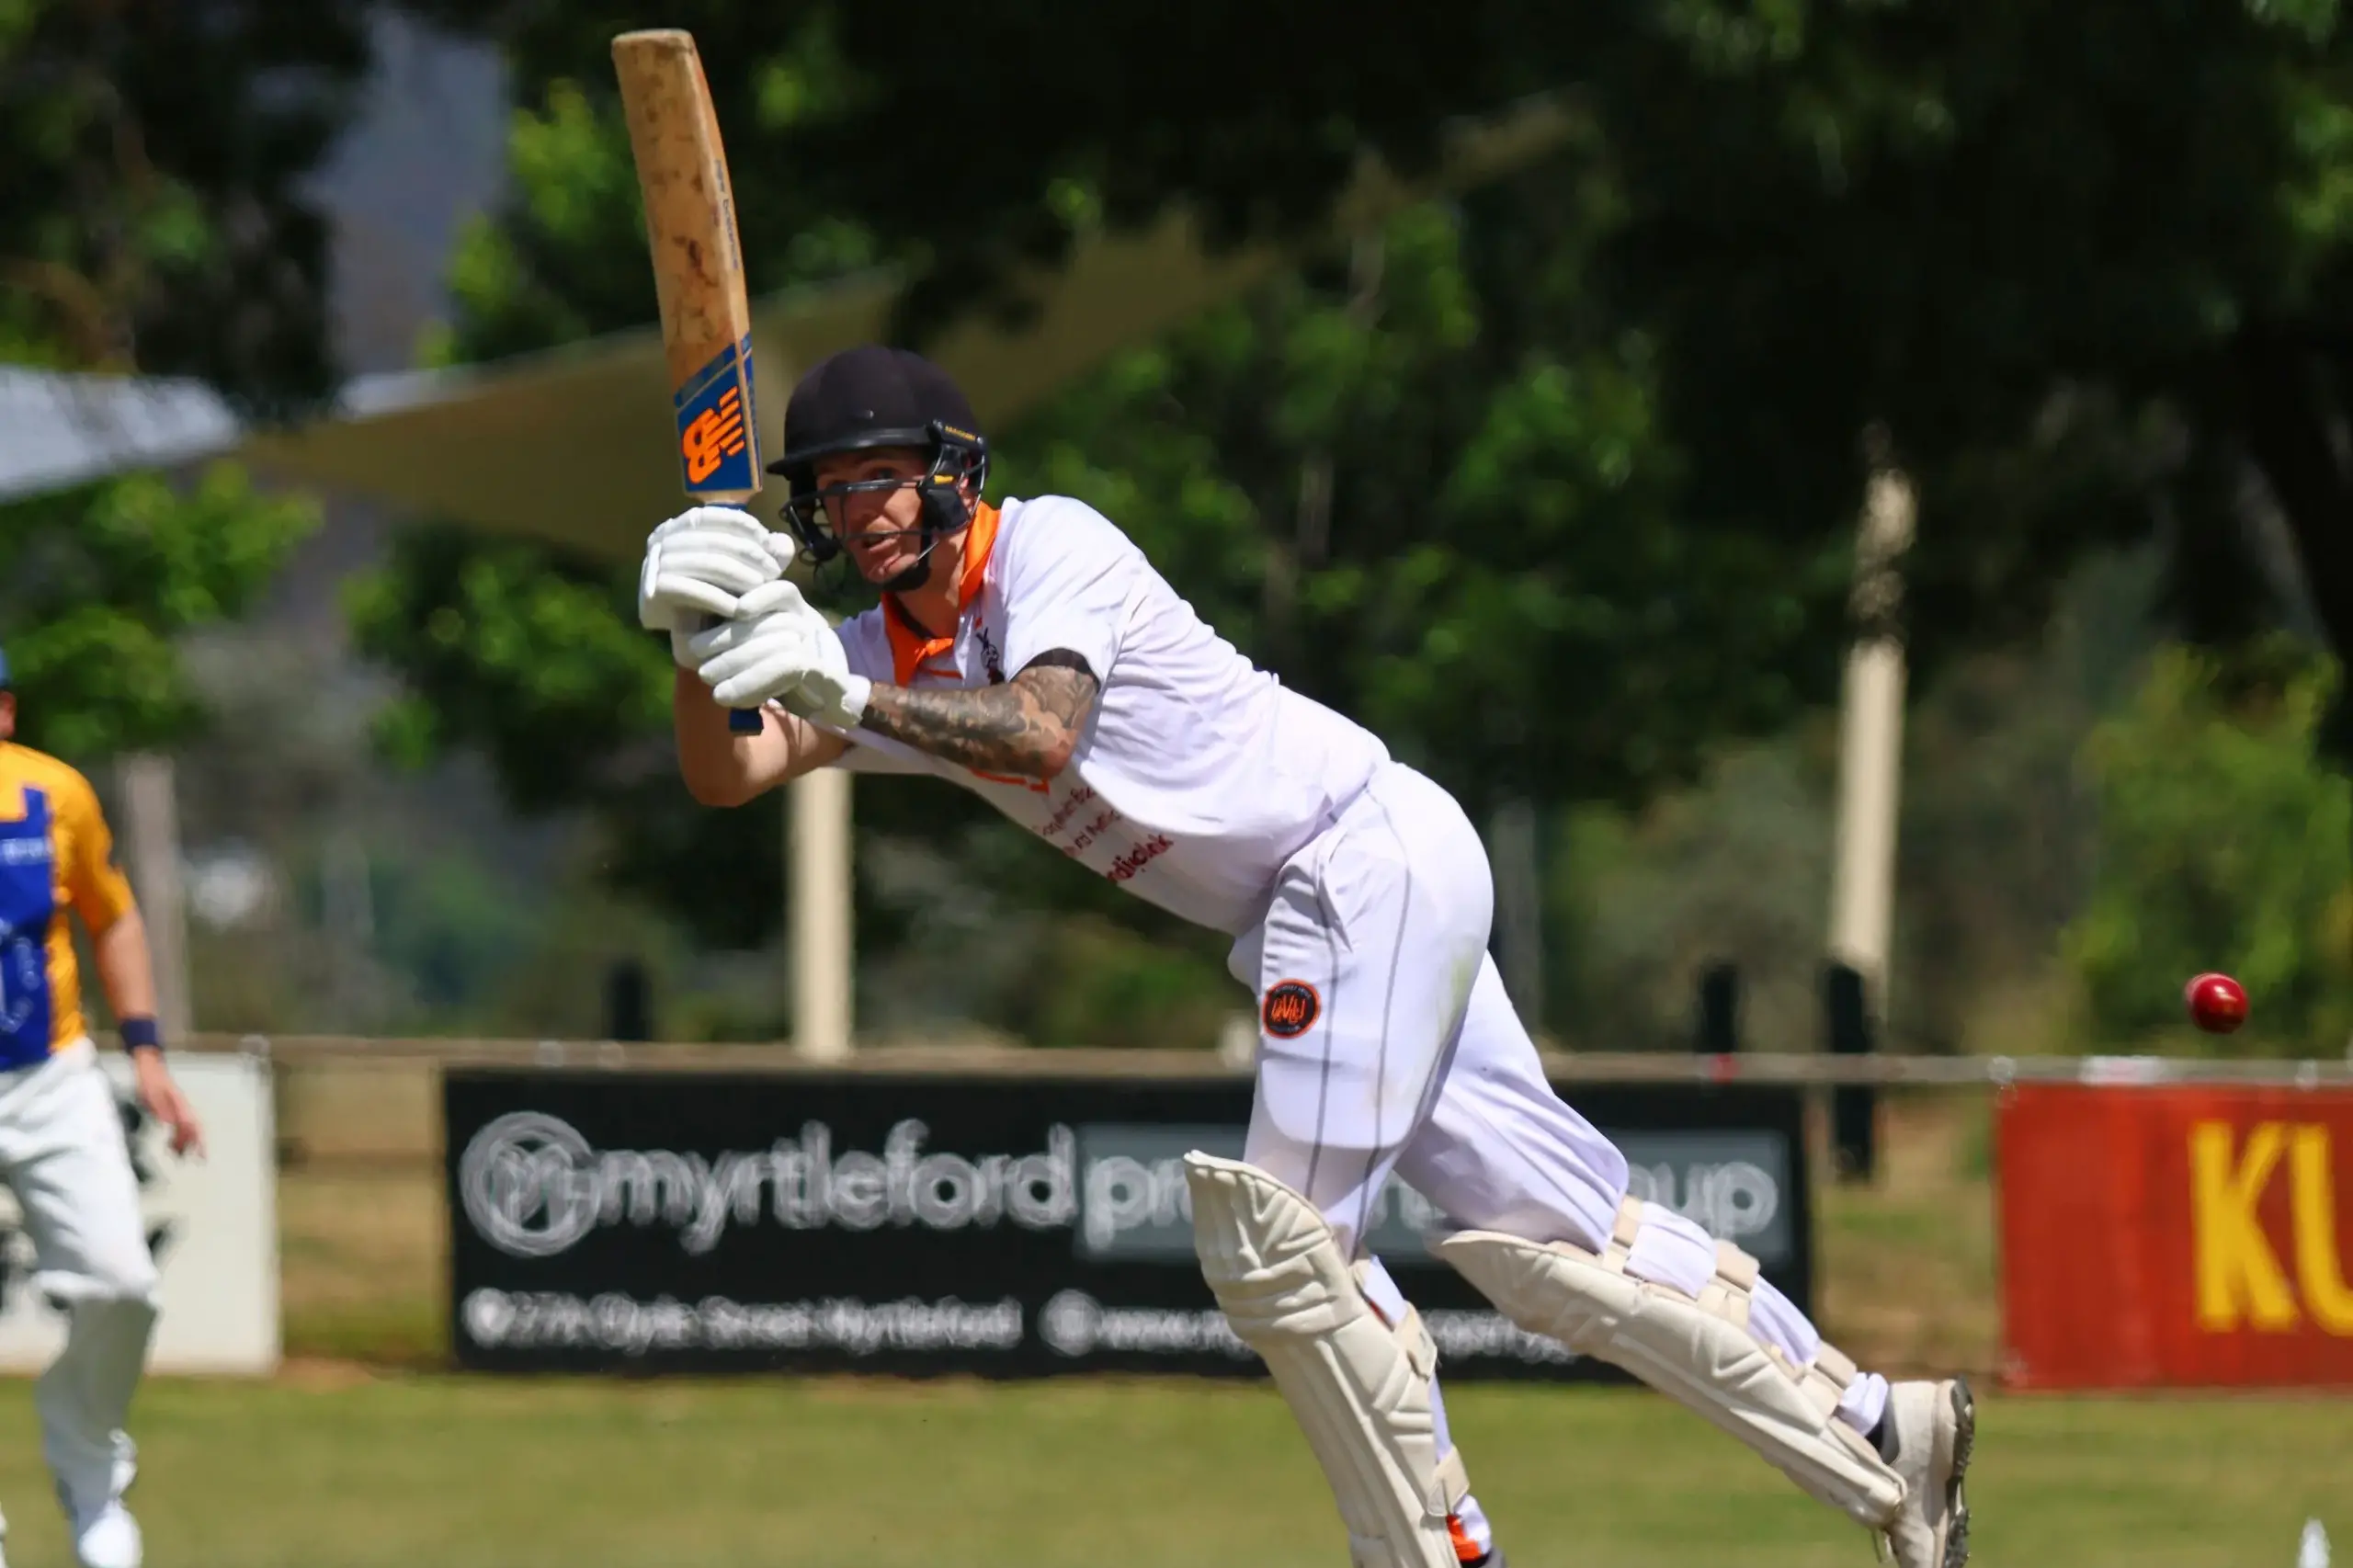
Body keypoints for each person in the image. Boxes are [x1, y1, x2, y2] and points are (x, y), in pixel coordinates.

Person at [639, 345, 1972, 1568]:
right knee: (1553, 1243)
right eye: (832, 486)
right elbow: (734, 770)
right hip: (1351, 888)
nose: (863, 506)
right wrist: (707, 642)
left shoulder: (1051, 550)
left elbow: (1041, 733)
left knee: (1285, 1249)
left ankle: (1439, 1555)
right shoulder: (874, 648)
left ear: (951, 473)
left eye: (886, 474)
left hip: (1356, 863)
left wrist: (844, 692)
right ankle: (1881, 1433)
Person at [0, 647, 203, 1568]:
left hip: (51, 1072)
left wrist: (148, 1049)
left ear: (6, 711)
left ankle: (86, 1460)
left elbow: (111, 912)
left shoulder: (56, 795)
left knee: (122, 1282)